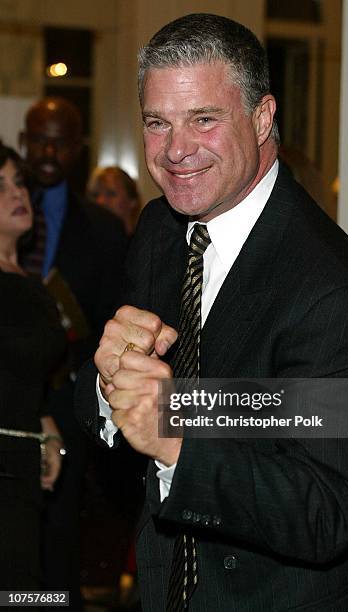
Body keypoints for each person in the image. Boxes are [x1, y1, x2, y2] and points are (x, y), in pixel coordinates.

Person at [76, 14, 348, 611]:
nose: (175, 150)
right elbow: (108, 401)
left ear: (263, 116)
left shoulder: (338, 291)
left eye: (203, 119)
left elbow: (327, 513)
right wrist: (109, 385)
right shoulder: (157, 231)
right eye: (157, 122)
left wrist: (175, 438)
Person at [19, 97, 127, 606]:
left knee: (59, 535)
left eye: (59, 141)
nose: (46, 151)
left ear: (77, 149)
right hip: (7, 398)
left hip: (66, 401)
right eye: (37, 138)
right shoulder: (4, 212)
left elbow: (112, 323)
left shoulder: (103, 231)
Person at [0, 145, 66, 588]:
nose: (16, 193)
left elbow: (25, 372)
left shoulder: (30, 282)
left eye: (18, 182)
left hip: (23, 470)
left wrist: (46, 424)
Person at [87, 166, 141, 236]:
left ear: (133, 200)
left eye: (111, 194)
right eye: (95, 195)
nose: (100, 201)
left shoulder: (146, 243)